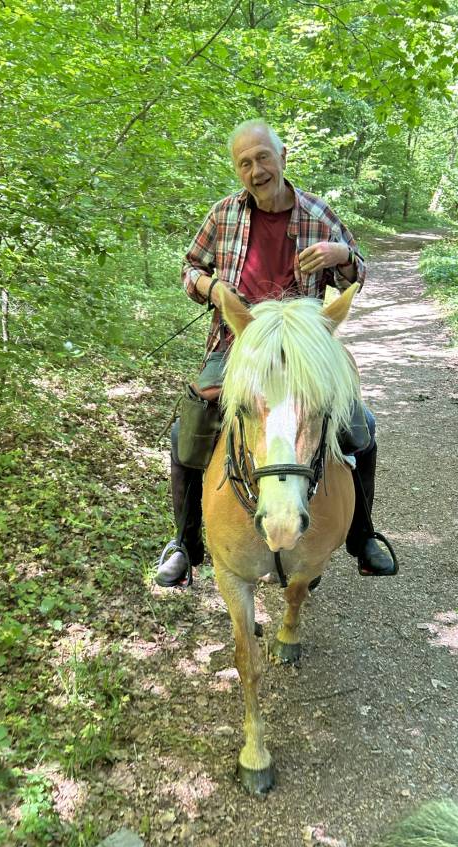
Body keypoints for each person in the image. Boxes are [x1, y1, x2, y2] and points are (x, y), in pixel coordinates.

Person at [156, 119, 396, 587]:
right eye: (244, 163)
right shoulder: (224, 214)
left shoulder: (318, 214)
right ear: (238, 170)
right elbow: (189, 269)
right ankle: (186, 544)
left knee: (358, 426)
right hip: (239, 342)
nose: (255, 169)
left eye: (262, 157)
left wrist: (339, 256)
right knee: (191, 428)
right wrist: (209, 286)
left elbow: (356, 274)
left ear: (282, 157)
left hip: (303, 346)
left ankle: (362, 534)